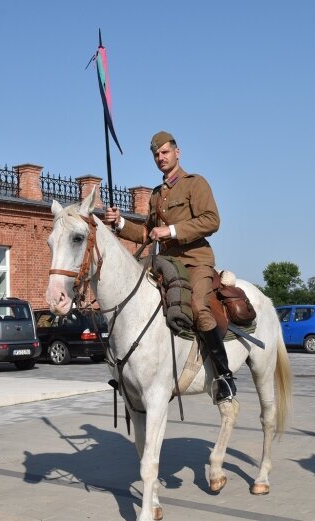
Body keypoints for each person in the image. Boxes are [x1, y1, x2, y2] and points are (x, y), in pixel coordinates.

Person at [104, 131, 236, 403]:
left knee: (199, 307)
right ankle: (134, 373)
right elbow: (146, 233)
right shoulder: (156, 195)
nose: (160, 158)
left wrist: (172, 230)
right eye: (156, 154)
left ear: (177, 153)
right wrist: (118, 223)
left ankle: (224, 376)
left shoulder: (195, 184)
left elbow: (212, 220)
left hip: (195, 261)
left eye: (165, 152)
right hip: (165, 264)